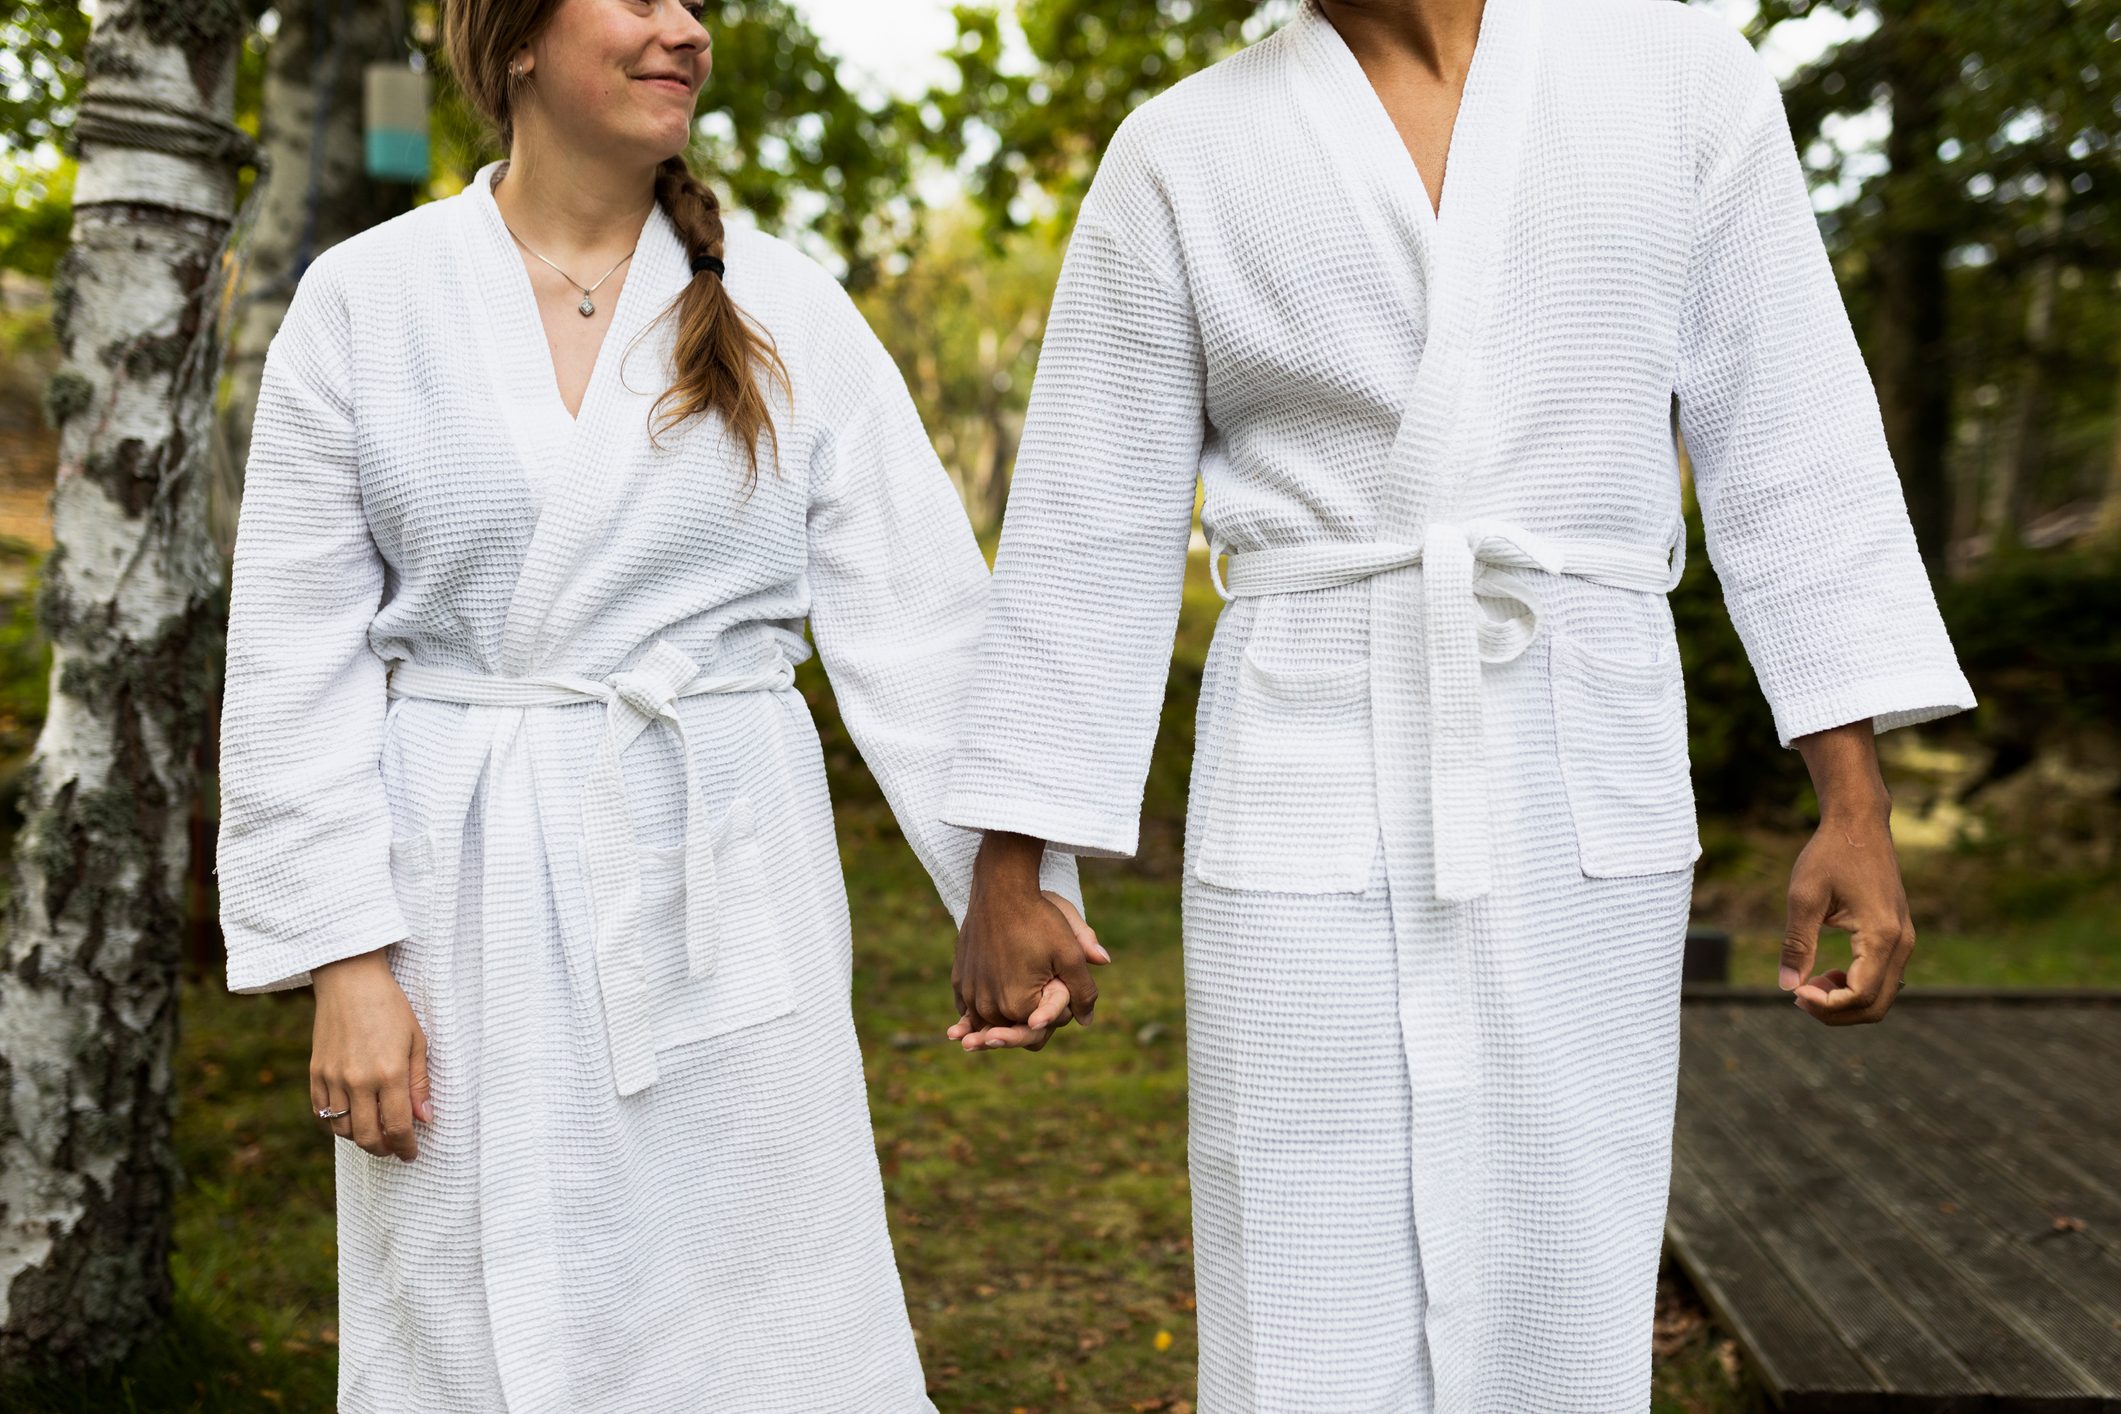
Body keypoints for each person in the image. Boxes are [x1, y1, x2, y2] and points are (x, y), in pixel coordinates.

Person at [941, 0, 1974, 1408]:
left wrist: (1851, 798)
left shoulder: (1678, 83)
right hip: (1302, 754)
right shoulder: (1179, 151)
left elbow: (1786, 437)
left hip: (1573, 746)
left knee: (1567, 1221)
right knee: (1300, 1231)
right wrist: (1014, 861)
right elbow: (1085, 518)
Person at [213, 1, 1092, 1408]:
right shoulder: (366, 299)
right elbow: (291, 659)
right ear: (510, 39)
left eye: (693, 4)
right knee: (467, 1300)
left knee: (760, 1295)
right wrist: (344, 961)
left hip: (722, 868)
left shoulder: (777, 303)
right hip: (460, 898)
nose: (682, 28)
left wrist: (1009, 874)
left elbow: (920, 617)